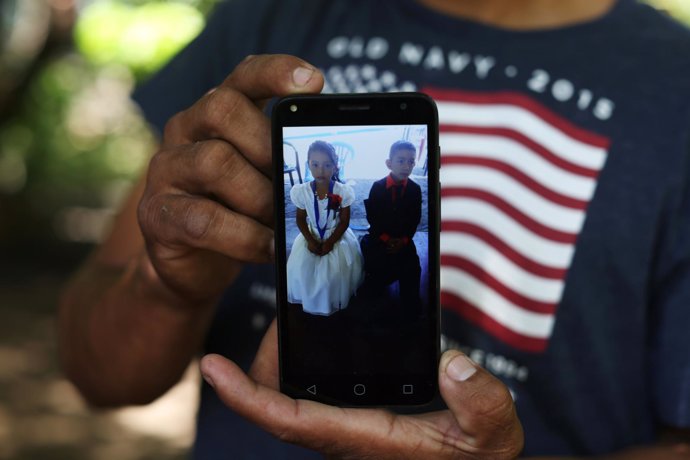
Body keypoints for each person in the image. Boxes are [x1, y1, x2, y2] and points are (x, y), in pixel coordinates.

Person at [58, 0, 690, 458]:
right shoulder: (267, 17)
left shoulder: (673, 81)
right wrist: (169, 286)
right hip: (349, 258)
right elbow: (100, 374)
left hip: (373, 257)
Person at [286, 140, 363, 315]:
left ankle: (332, 301)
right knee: (301, 272)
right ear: (309, 165)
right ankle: (309, 300)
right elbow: (299, 219)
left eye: (327, 165)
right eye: (315, 164)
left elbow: (344, 221)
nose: (321, 170)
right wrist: (310, 240)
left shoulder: (342, 191)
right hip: (311, 233)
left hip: (336, 235)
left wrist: (330, 242)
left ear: (335, 167)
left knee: (335, 275)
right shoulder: (302, 191)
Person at [359, 140, 422, 315]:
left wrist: (403, 241)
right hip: (380, 236)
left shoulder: (415, 189)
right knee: (376, 268)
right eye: (401, 160)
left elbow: (414, 219)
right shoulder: (378, 187)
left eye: (411, 161)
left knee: (412, 268)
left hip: (403, 238)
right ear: (389, 163)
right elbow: (373, 218)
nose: (406, 166)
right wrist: (387, 239)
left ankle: (411, 309)